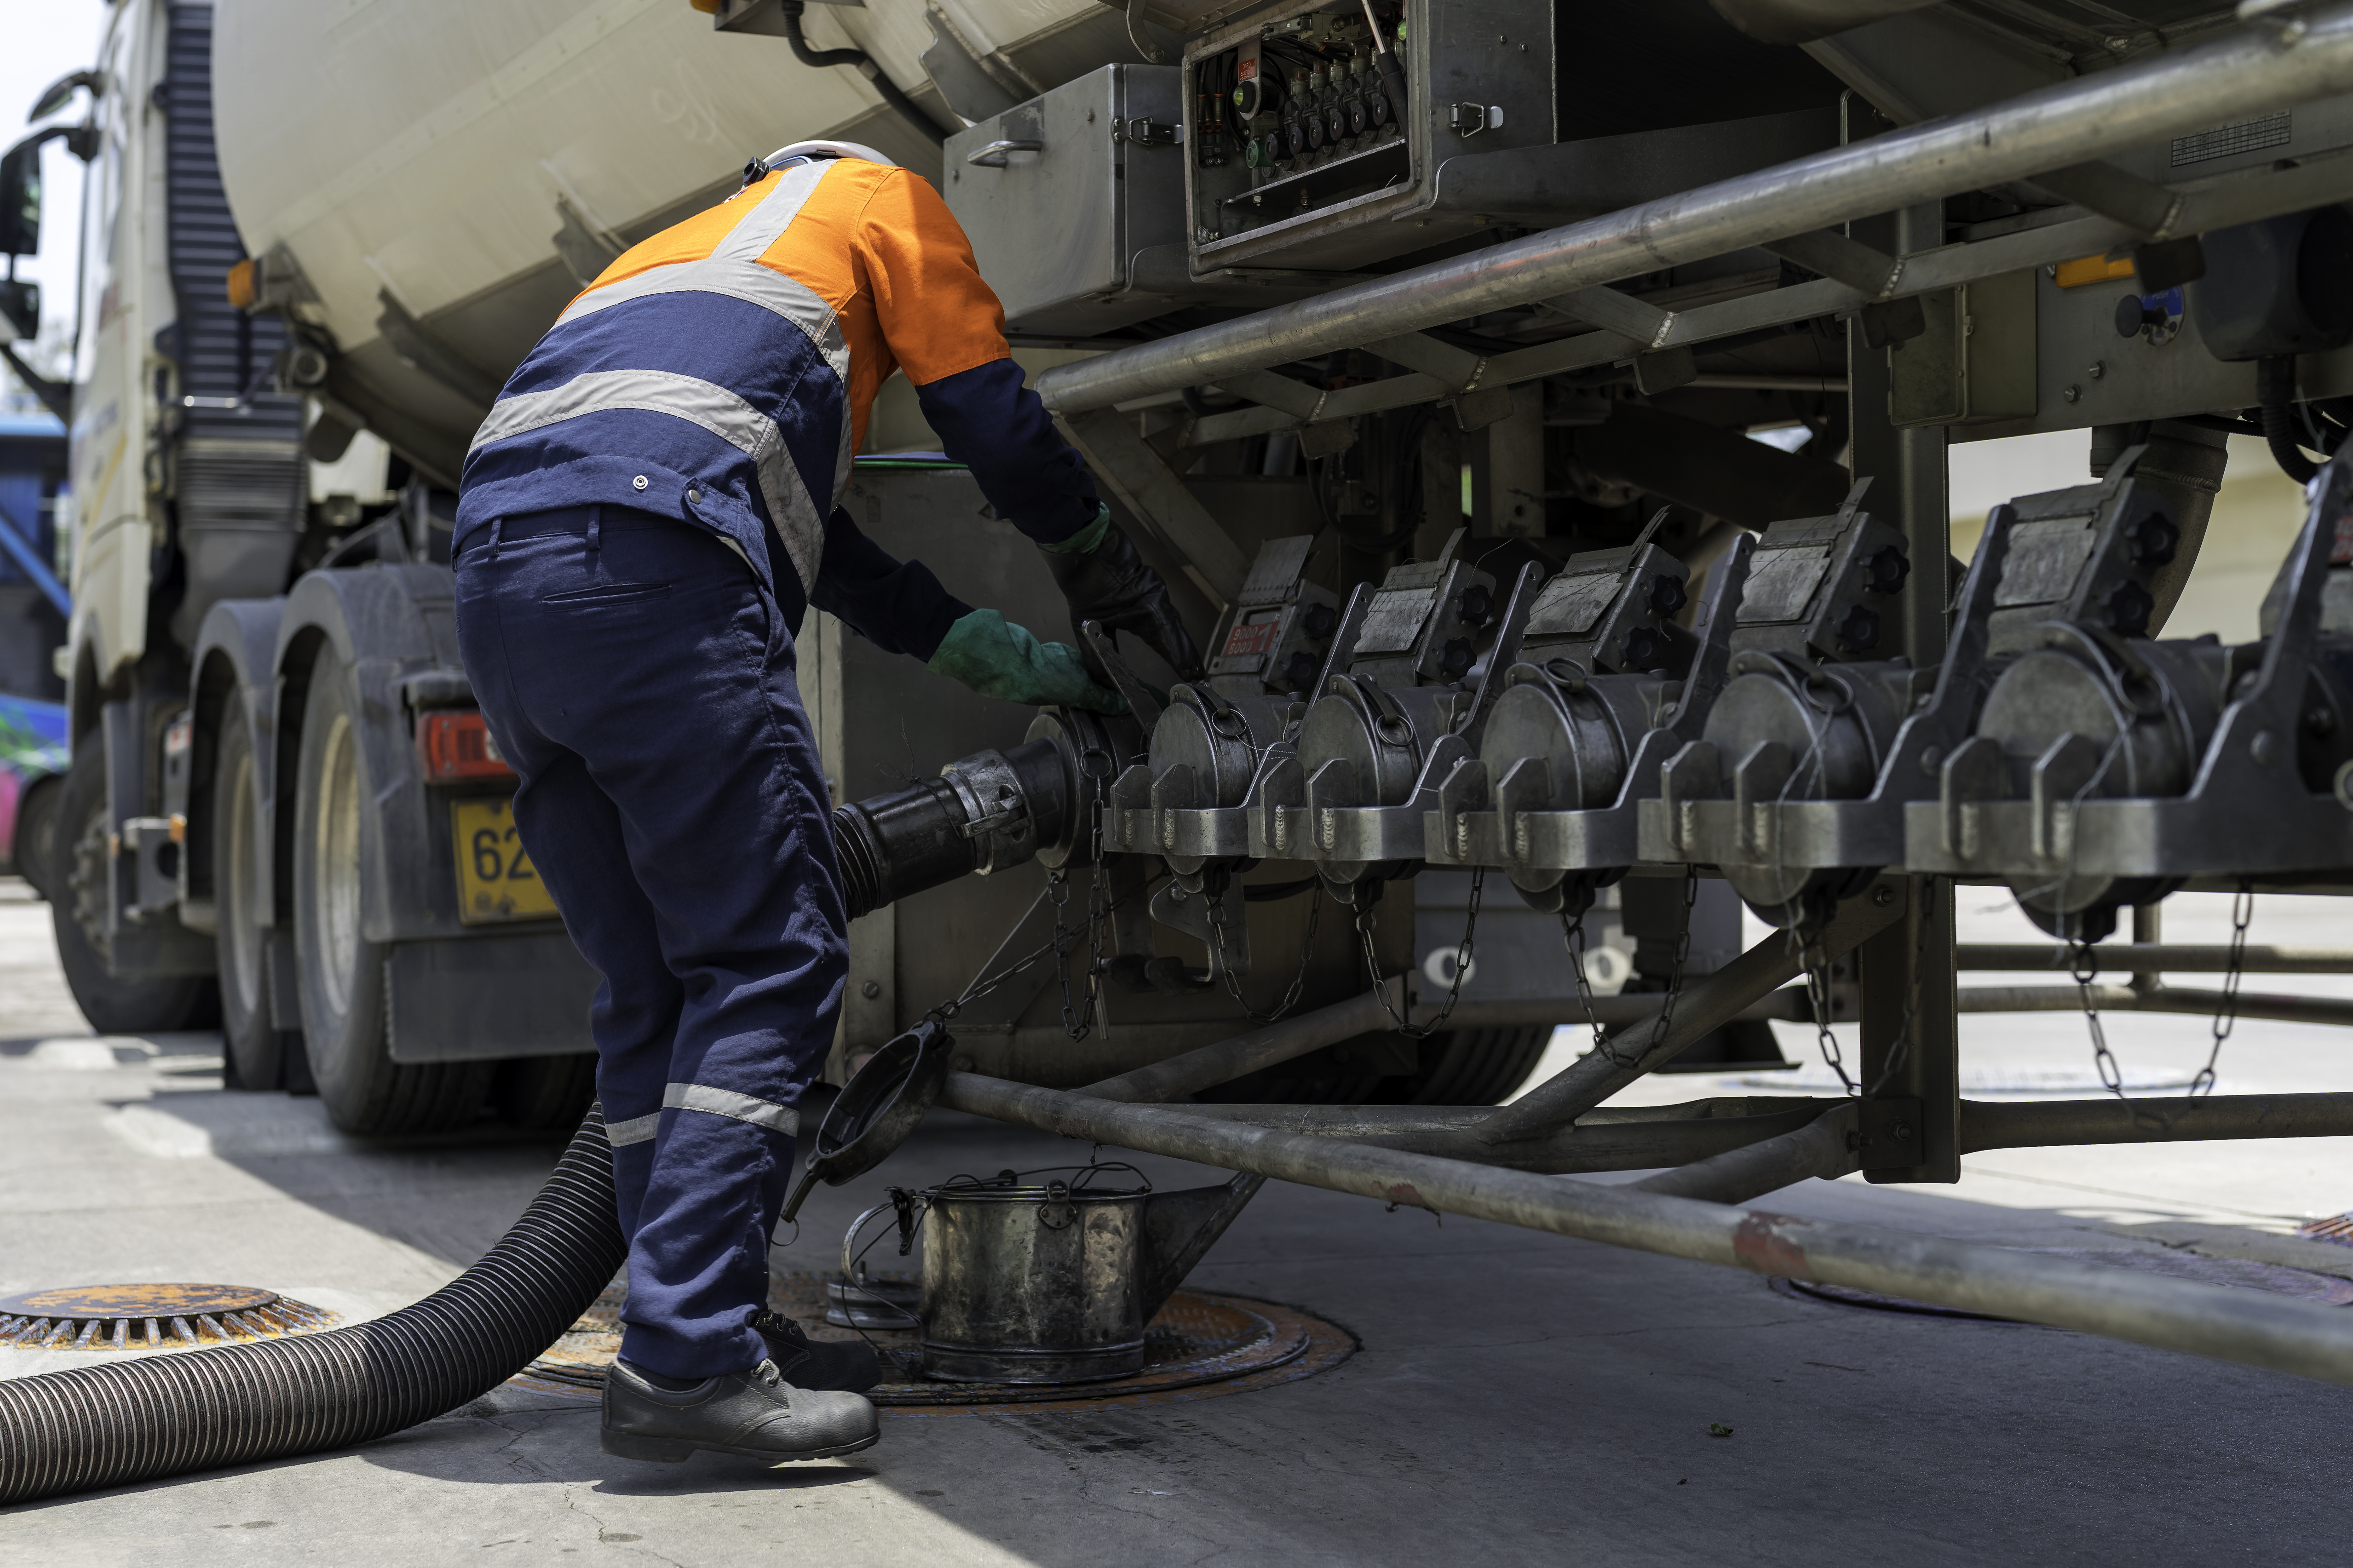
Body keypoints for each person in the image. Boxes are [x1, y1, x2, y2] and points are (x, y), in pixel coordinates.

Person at [452, 139, 1198, 1465]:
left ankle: (707, 1319)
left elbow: (808, 531)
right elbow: (992, 418)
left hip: (503, 590)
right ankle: (686, 1365)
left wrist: (974, 642)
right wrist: (1096, 562)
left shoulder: (674, 260)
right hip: (651, 566)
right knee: (766, 963)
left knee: (654, 991)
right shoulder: (876, 199)